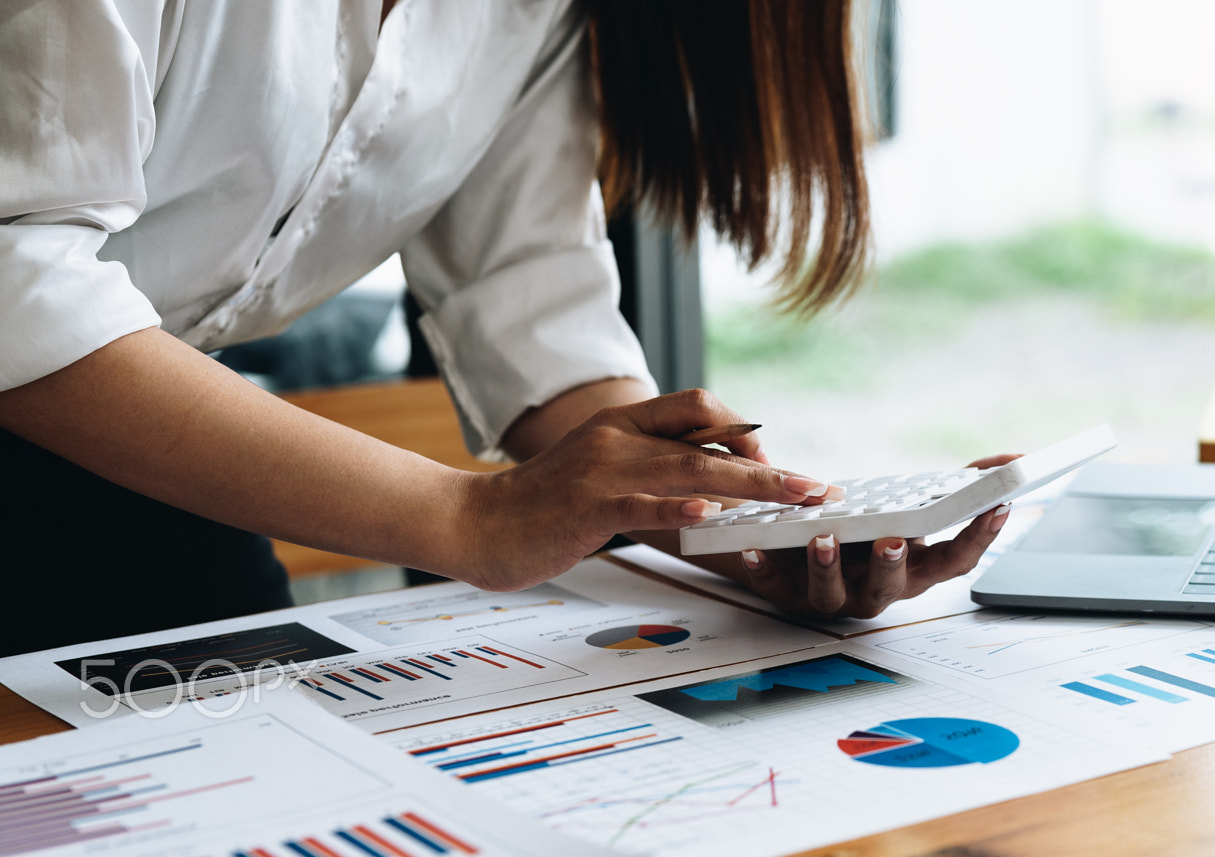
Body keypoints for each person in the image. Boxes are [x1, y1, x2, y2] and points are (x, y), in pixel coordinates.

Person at [0, 0, 1011, 658]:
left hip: (137, 460)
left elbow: (525, 290)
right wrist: (468, 517)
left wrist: (741, 531)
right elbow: (17, 269)